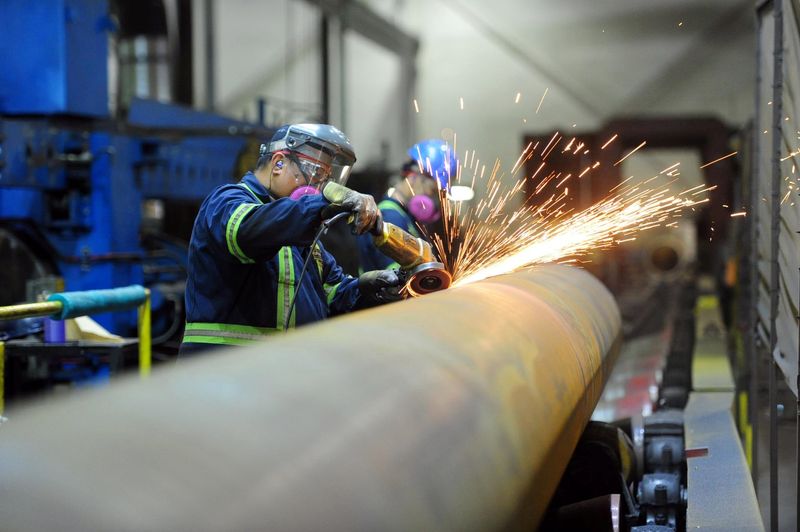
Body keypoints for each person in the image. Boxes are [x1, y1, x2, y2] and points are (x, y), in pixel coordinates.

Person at [180, 123, 401, 357]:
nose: (319, 188)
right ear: (278, 163)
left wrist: (371, 287)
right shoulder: (226, 202)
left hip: (279, 371)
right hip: (220, 372)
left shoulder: (302, 233)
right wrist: (320, 206)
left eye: (326, 179)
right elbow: (249, 230)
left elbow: (335, 293)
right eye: (316, 174)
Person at [357, 139, 458, 271]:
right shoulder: (390, 218)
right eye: (433, 191)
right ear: (413, 175)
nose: (433, 200)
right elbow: (396, 281)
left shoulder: (404, 216)